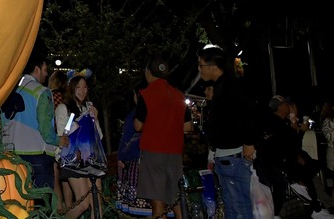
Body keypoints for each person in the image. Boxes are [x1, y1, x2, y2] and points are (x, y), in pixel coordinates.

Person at [0, 45, 69, 210]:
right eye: (45, 69)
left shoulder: (8, 91)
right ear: (37, 69)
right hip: (38, 156)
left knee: (18, 205)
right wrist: (59, 140)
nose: (46, 74)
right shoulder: (42, 92)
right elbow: (46, 131)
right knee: (41, 206)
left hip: (11, 157)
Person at [198, 45, 260, 219]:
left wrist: (249, 142)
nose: (199, 69)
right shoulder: (221, 86)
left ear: (212, 66)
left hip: (233, 157)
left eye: (201, 65)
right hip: (226, 157)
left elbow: (250, 112)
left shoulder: (230, 85)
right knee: (232, 205)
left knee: (238, 205)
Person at [134, 56, 193, 219]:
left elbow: (137, 126)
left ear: (148, 72)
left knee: (157, 200)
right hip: (174, 152)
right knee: (175, 197)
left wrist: (154, 123)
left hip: (153, 151)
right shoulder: (179, 95)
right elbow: (188, 127)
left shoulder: (146, 94)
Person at [257, 94, 333, 219]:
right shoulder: (277, 124)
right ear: (281, 107)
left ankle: (316, 207)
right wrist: (298, 129)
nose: (290, 107)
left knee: (309, 171)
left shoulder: (275, 122)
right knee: (306, 173)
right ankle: (316, 208)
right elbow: (290, 144)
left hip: (280, 163)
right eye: (287, 105)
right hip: (280, 165)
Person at [57, 74, 106, 219]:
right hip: (73, 159)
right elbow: (62, 133)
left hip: (91, 159)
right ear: (71, 88)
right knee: (82, 205)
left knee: (96, 203)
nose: (82, 90)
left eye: (85, 87)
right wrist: (78, 121)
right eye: (78, 87)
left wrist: (94, 119)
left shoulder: (89, 107)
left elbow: (99, 137)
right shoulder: (64, 108)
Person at [117, 80, 150, 215]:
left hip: (136, 163)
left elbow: (128, 139)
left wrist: (121, 157)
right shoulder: (157, 110)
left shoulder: (135, 114)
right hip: (154, 161)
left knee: (141, 207)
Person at [49, 68, 71, 213]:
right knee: (67, 175)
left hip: (56, 138)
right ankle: (70, 206)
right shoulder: (68, 98)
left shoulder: (51, 97)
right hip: (69, 138)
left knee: (56, 175)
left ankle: (59, 206)